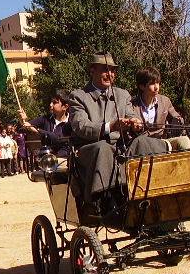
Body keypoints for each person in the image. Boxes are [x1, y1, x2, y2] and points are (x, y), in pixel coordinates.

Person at [68, 53, 168, 216]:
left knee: (144, 142)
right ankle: (105, 201)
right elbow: (81, 126)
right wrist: (110, 126)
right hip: (89, 150)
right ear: (92, 70)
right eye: (105, 70)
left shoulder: (122, 95)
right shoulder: (78, 96)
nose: (110, 74)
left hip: (121, 148)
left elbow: (131, 115)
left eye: (113, 71)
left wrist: (136, 124)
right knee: (103, 148)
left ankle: (155, 193)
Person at [132, 67, 183, 138]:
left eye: (158, 83)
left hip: (161, 142)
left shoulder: (165, 101)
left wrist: (178, 121)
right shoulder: (132, 105)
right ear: (142, 86)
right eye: (152, 84)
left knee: (184, 141)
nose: (156, 87)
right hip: (141, 143)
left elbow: (176, 117)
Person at [20, 90, 73, 158]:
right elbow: (23, 128)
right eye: (51, 102)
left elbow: (57, 138)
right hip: (46, 163)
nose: (50, 105)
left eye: (54, 103)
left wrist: (38, 131)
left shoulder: (72, 121)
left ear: (65, 107)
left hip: (65, 162)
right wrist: (22, 120)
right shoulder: (45, 119)